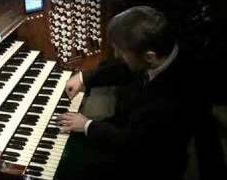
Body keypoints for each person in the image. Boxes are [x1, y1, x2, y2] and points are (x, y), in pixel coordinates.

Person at [57, 6, 203, 180]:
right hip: (130, 129)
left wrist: (87, 125)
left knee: (64, 165)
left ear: (149, 56)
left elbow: (132, 142)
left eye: (122, 52)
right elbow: (126, 69)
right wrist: (84, 78)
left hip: (147, 161)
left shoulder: (173, 97)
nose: (117, 55)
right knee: (66, 140)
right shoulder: (162, 53)